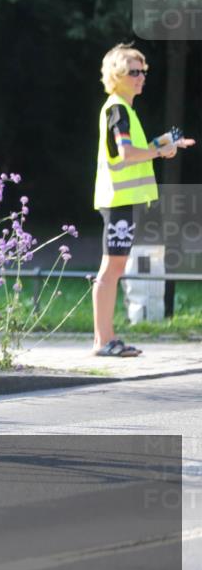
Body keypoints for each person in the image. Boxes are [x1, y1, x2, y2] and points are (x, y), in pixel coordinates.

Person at [91, 43, 194, 357]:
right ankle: (103, 341)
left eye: (143, 71)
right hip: (118, 200)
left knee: (114, 268)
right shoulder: (117, 109)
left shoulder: (124, 110)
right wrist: (160, 150)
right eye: (134, 72)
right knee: (111, 269)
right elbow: (126, 154)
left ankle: (106, 339)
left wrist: (162, 143)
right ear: (117, 75)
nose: (141, 77)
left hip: (122, 200)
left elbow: (133, 149)